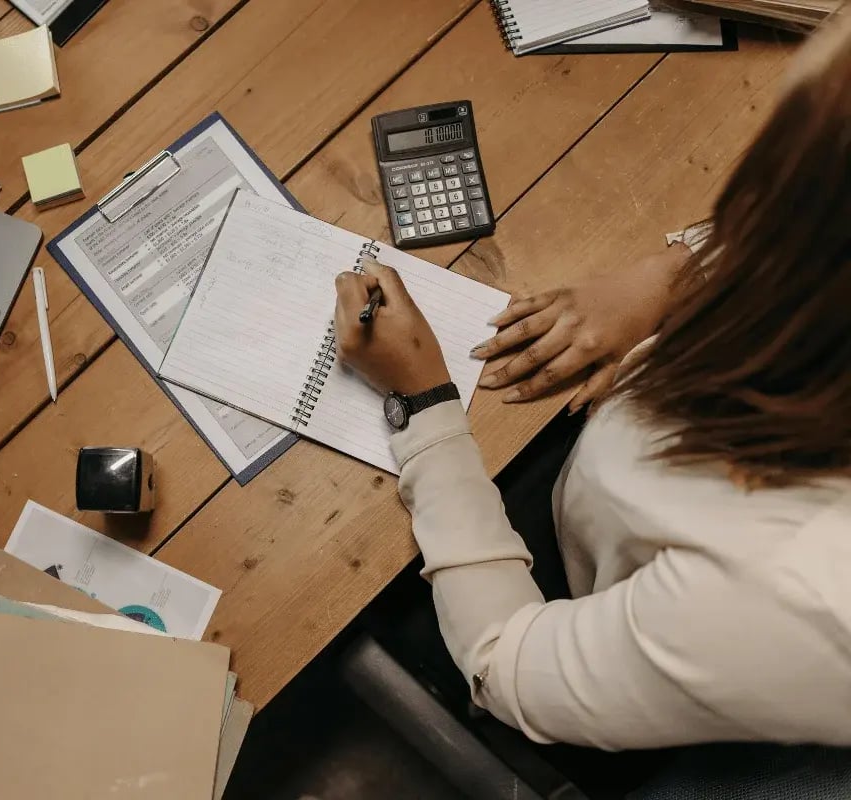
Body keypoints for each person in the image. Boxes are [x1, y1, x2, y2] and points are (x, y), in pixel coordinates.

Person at [332, 10, 851, 751]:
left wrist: (423, 407)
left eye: (773, 159)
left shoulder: (797, 595)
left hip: (581, 623)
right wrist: (675, 276)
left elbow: (504, 663)